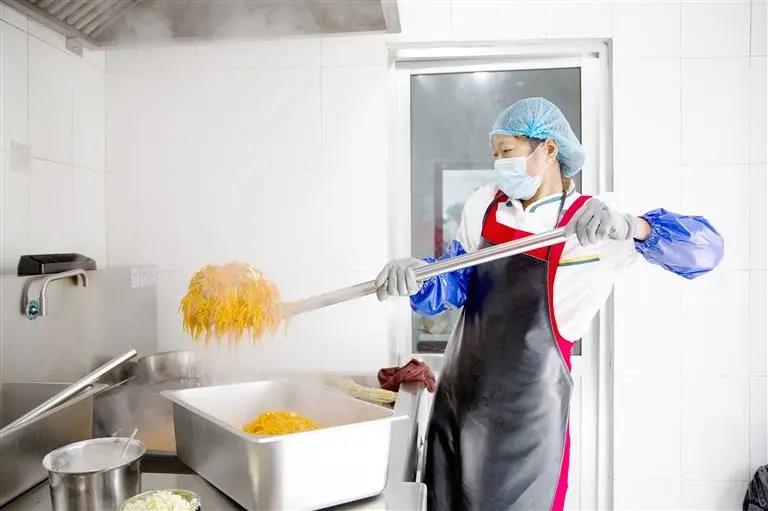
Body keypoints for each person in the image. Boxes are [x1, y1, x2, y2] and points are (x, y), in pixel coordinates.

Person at [375, 97, 723, 511]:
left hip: (525, 430)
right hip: (455, 409)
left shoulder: (592, 224)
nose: (499, 164)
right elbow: (454, 283)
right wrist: (419, 277)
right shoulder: (484, 205)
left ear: (549, 149)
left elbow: (707, 251)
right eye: (494, 154)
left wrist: (635, 226)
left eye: (507, 151)